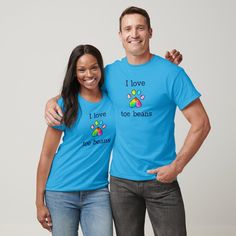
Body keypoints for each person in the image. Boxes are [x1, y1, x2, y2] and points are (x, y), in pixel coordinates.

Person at [44, 6, 209, 236]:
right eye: (128, 28)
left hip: (162, 179)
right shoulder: (109, 74)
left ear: (150, 32)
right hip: (121, 183)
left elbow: (201, 123)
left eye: (140, 27)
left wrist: (177, 165)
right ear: (120, 35)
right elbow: (82, 85)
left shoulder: (171, 73)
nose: (134, 34)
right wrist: (53, 101)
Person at [36, 44, 115, 236]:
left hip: (97, 192)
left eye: (94, 67)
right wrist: (39, 202)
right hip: (61, 191)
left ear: (100, 68)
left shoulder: (113, 98)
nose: (89, 74)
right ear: (74, 73)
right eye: (81, 69)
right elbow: (47, 155)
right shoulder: (64, 104)